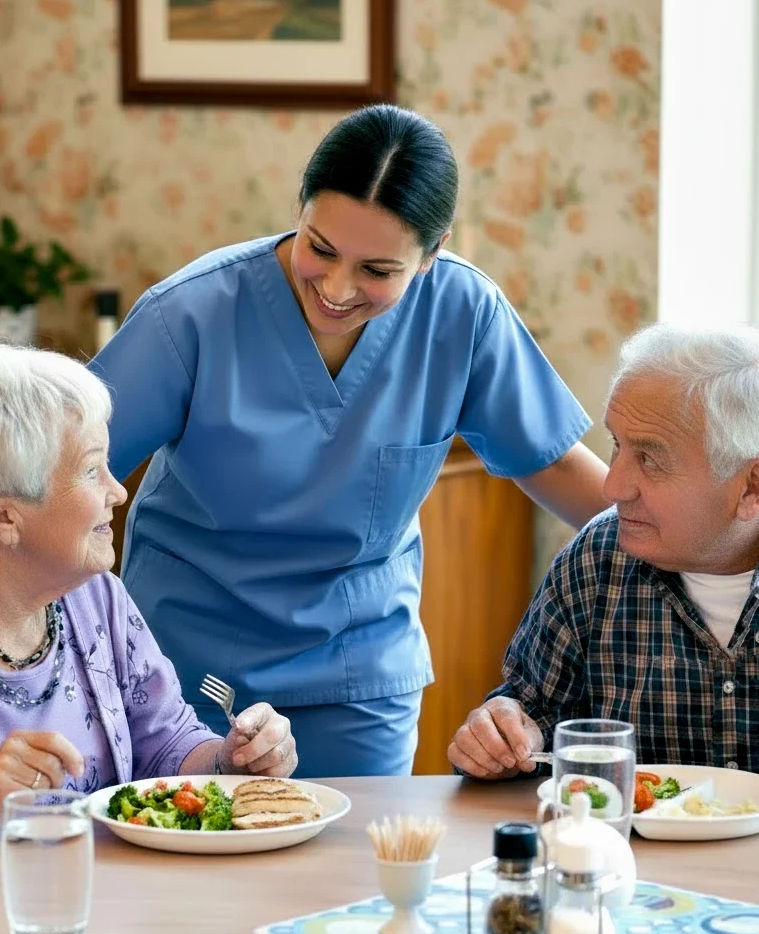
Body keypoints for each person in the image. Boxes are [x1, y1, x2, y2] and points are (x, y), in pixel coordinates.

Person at [89, 104, 609, 778]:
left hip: (356, 680)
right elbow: (53, 471)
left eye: (378, 270)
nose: (336, 288)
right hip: (187, 677)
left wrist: (709, 551)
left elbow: (563, 470)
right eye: (321, 248)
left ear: (433, 253)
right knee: (193, 876)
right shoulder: (190, 315)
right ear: (299, 208)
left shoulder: (464, 315)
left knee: (353, 878)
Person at [0, 346, 297, 843]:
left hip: (97, 905)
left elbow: (165, 744)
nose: (118, 491)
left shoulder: (97, 598)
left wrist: (233, 759)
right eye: (91, 471)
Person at [449, 323, 759, 778]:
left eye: (651, 460)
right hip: (624, 850)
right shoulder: (597, 559)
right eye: (618, 445)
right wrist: (502, 736)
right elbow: (531, 712)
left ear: (750, 486)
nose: (613, 487)